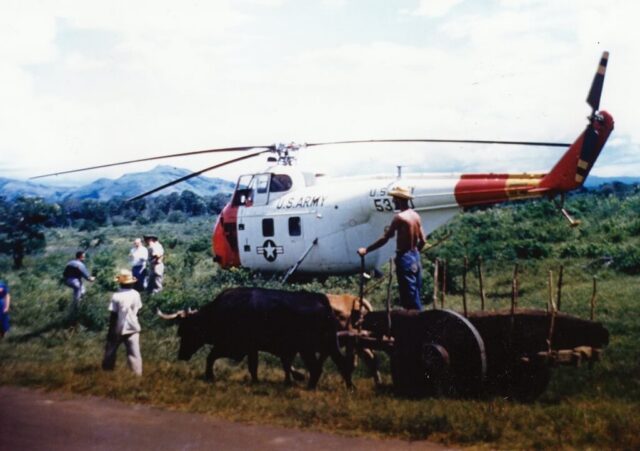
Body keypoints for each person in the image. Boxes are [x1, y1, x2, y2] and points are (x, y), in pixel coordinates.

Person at [358, 186, 427, 310]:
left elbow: (386, 238)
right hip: (415, 257)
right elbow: (423, 240)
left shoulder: (399, 218)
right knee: (415, 292)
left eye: (394, 199)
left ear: (399, 199)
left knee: (408, 298)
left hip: (404, 258)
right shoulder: (416, 216)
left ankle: (417, 323)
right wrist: (414, 254)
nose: (393, 201)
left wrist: (366, 250)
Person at [102, 269, 143, 376]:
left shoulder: (116, 296)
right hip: (133, 327)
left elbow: (114, 315)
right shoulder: (136, 294)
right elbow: (137, 311)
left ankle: (107, 372)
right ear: (131, 283)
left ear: (120, 282)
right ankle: (136, 375)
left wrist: (111, 331)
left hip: (118, 328)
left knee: (110, 351)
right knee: (134, 353)